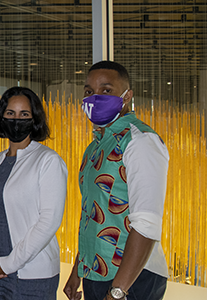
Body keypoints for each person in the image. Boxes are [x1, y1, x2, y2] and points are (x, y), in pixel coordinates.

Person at [63, 61, 169, 300]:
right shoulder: (95, 147)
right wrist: (78, 270)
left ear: (127, 96)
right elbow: (92, 213)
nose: (95, 97)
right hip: (96, 271)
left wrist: (118, 291)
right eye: (89, 92)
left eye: (106, 90)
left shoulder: (140, 141)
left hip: (132, 276)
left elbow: (147, 224)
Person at [0, 86, 67, 299]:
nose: (17, 119)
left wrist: (8, 263)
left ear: (34, 119)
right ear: (1, 117)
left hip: (32, 273)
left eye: (24, 114)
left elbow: (49, 221)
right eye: (10, 113)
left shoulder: (48, 161)